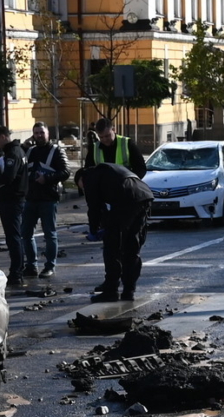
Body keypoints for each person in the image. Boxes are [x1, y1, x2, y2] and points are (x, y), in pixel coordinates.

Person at [78, 162, 153, 302]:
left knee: (112, 247)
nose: (82, 190)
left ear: (81, 179)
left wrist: (93, 229)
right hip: (144, 195)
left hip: (126, 198)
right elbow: (105, 206)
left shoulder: (89, 177)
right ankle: (128, 290)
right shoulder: (107, 171)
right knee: (132, 245)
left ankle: (111, 291)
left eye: (80, 186)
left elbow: (93, 206)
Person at [13, 122, 68, 278]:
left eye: (41, 133)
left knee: (49, 234)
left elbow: (65, 172)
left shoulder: (57, 151)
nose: (39, 136)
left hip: (48, 198)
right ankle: (31, 266)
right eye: (36, 133)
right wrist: (23, 145)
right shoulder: (30, 151)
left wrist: (48, 178)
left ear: (47, 133)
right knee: (26, 233)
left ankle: (50, 266)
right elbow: (18, 161)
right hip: (30, 198)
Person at [81, 116, 146, 239]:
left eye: (107, 136)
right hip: (105, 195)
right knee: (110, 232)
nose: (105, 140)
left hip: (126, 193)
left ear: (114, 130)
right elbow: (89, 170)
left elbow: (141, 168)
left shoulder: (127, 143)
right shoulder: (95, 148)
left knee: (127, 232)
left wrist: (131, 183)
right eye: (101, 137)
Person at [0, 125, 26, 275]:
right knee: (14, 236)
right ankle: (18, 268)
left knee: (13, 237)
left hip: (12, 199)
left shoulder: (13, 153)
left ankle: (16, 271)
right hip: (13, 199)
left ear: (3, 137)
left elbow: (9, 177)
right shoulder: (15, 151)